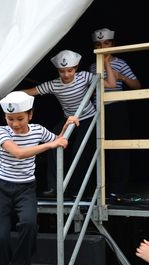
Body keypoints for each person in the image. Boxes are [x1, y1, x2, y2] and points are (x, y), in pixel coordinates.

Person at [0, 91, 76, 265]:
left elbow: (58, 140)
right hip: (1, 186)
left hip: (26, 187)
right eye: (10, 118)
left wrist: (67, 125)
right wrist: (49, 145)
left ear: (30, 115)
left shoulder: (38, 130)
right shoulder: (1, 131)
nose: (15, 124)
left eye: (20, 119)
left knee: (29, 225)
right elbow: (19, 153)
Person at [23, 49, 117, 198]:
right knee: (52, 143)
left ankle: (77, 191)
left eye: (70, 70)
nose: (66, 75)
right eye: (62, 71)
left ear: (76, 68)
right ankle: (54, 187)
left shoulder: (84, 77)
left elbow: (111, 84)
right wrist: (4, 96)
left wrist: (106, 63)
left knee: (80, 150)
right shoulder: (54, 84)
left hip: (87, 118)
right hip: (68, 119)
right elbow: (30, 92)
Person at [90, 28, 141, 195]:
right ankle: (99, 187)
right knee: (98, 147)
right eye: (99, 44)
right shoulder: (92, 66)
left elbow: (137, 86)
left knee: (119, 148)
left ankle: (118, 188)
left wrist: (122, 77)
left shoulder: (120, 62)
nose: (103, 47)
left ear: (113, 44)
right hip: (97, 109)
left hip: (117, 107)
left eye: (106, 43)